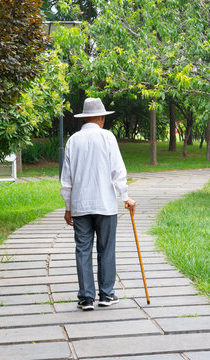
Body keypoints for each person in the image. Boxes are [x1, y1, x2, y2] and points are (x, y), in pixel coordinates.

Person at [60, 97, 136, 311]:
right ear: (101, 118)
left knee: (82, 249)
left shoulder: (73, 140)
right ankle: (106, 295)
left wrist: (68, 208)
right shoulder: (107, 137)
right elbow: (118, 172)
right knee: (106, 249)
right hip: (105, 205)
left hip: (81, 205)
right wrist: (126, 197)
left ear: (85, 118)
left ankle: (86, 298)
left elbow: (67, 180)